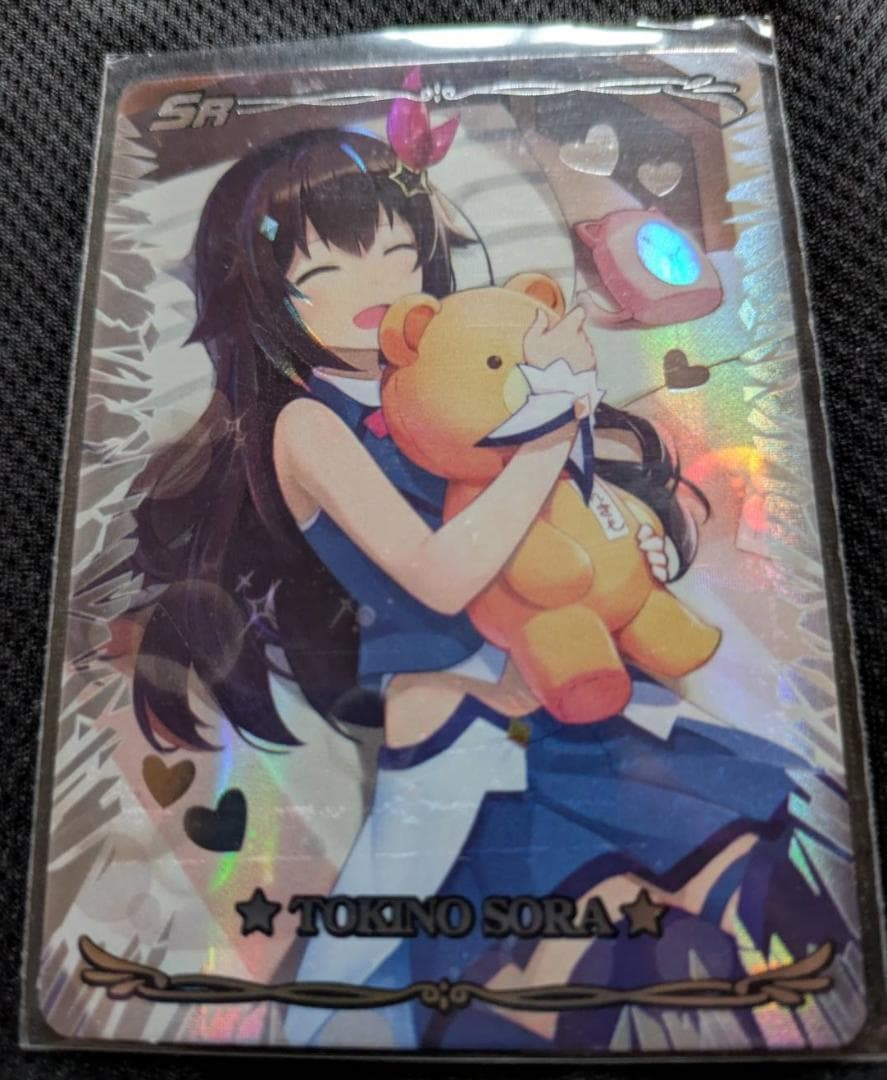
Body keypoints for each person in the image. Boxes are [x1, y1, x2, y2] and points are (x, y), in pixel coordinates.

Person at [128, 122, 852, 1052]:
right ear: (265, 292)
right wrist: (541, 436)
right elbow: (437, 577)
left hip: (567, 685)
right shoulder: (306, 425)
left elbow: (562, 514)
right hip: (460, 715)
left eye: (398, 254)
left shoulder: (458, 369)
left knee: (747, 871)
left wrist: (606, 498)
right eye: (326, 271)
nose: (374, 289)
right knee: (573, 940)